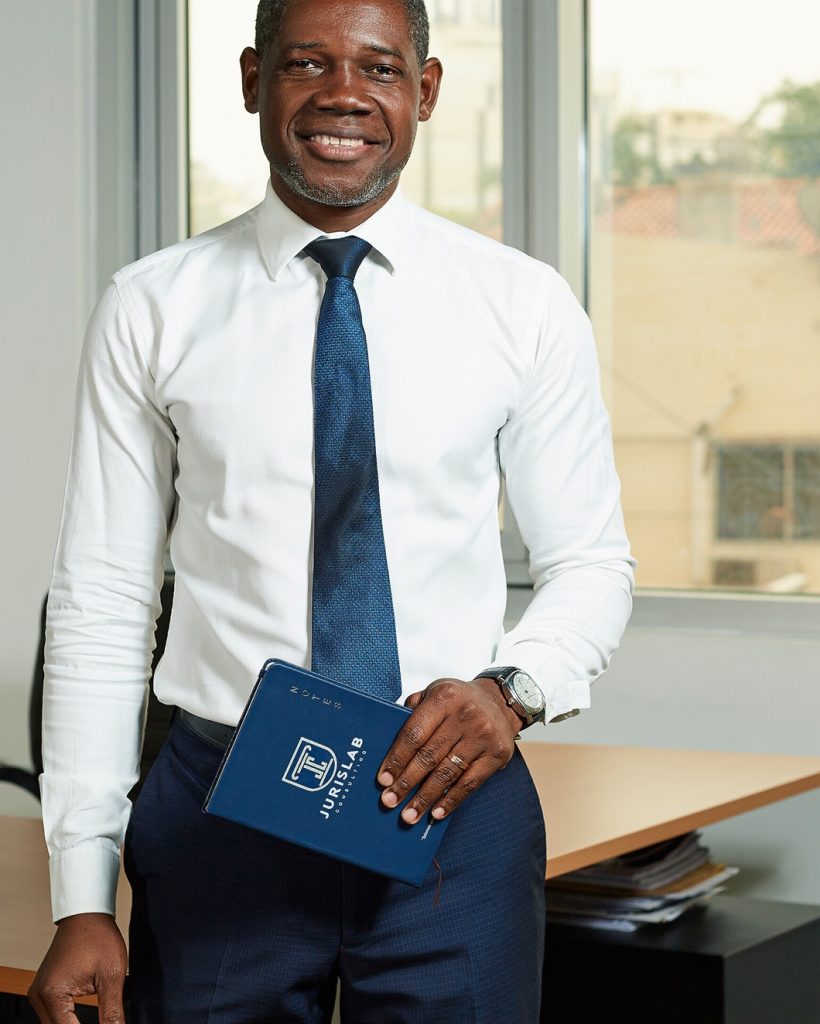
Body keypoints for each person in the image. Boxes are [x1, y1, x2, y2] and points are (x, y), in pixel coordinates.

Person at [29, 0, 635, 1021]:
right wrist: (81, 894)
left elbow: (590, 559)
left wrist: (512, 689)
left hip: (449, 792)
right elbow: (103, 599)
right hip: (222, 802)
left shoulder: (520, 306)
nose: (343, 94)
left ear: (424, 91)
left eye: (379, 68)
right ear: (251, 79)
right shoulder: (154, 305)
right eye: (307, 63)